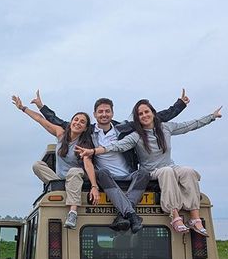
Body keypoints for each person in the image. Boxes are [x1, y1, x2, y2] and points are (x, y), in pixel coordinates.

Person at [29, 89, 190, 233]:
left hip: (128, 176)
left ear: (112, 113)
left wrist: (180, 105)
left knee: (143, 173)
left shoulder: (124, 128)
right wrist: (41, 106)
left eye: (107, 111)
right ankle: (131, 214)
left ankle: (124, 214)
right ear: (95, 114)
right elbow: (57, 121)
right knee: (102, 172)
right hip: (105, 179)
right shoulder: (88, 132)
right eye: (100, 112)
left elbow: (154, 118)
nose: (104, 114)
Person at [78, 100, 222, 235]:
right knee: (166, 172)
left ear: (153, 113)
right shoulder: (135, 135)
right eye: (140, 114)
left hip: (161, 167)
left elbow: (189, 125)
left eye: (147, 112)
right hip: (151, 170)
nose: (144, 115)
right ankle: (170, 215)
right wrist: (93, 151)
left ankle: (195, 218)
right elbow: (117, 146)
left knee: (188, 171)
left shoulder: (165, 127)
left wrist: (212, 116)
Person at [11, 96, 100, 229]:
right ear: (71, 122)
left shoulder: (85, 144)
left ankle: (73, 213)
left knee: (74, 171)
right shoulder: (60, 134)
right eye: (76, 120)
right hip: (60, 179)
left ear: (85, 128)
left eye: (82, 122)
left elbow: (88, 165)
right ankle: (56, 187)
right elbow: (40, 119)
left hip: (77, 177)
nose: (78, 123)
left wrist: (94, 186)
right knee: (37, 165)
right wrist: (23, 108)